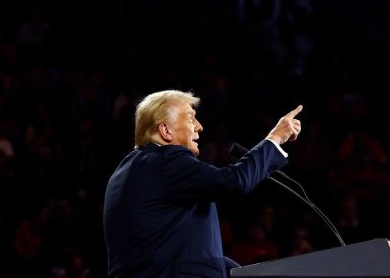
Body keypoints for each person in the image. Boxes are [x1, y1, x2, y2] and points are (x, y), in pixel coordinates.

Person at [103, 89, 302, 277]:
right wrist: (275, 139)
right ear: (165, 130)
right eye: (190, 118)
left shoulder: (124, 172)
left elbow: (169, 250)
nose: (199, 126)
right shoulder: (167, 159)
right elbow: (235, 181)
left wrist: (237, 271)